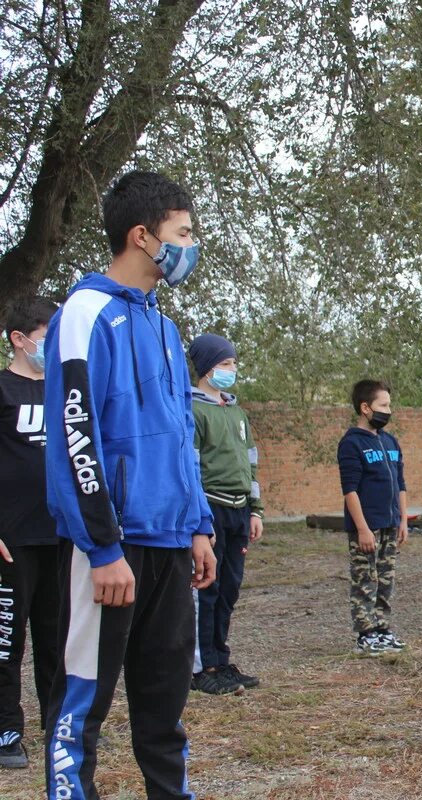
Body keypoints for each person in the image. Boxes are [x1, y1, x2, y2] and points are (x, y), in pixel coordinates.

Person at [42, 170, 217, 799]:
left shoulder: (167, 330)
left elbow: (179, 438)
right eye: (185, 233)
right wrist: (103, 547)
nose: (192, 246)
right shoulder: (84, 313)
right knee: (82, 704)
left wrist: (198, 525)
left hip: (171, 544)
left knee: (164, 708)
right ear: (142, 236)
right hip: (109, 552)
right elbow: (74, 438)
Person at [0, 295, 60, 769]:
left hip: (60, 535)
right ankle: (6, 730)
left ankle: (60, 725)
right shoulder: (2, 390)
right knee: (8, 639)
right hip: (12, 540)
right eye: (46, 337)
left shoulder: (64, 391)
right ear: (20, 340)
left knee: (57, 639)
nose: (54, 345)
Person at [188, 334, 264, 695]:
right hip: (210, 506)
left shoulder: (237, 412)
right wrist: (198, 519)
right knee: (207, 587)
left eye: (233, 363)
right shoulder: (193, 410)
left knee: (229, 589)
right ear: (207, 367)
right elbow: (190, 465)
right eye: (226, 364)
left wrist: (255, 509)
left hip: (238, 509)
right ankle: (201, 667)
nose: (232, 370)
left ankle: (221, 657)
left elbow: (251, 463)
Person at [338, 379, 409, 657]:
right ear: (365, 408)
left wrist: (403, 519)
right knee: (365, 579)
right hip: (367, 527)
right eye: (383, 405)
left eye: (389, 405)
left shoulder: (390, 441)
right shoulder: (351, 443)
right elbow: (350, 490)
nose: (388, 410)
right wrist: (363, 529)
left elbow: (400, 484)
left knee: (385, 580)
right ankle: (365, 634)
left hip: (391, 523)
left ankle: (382, 629)